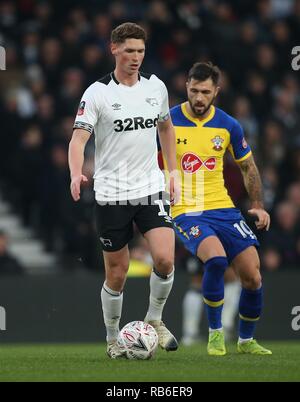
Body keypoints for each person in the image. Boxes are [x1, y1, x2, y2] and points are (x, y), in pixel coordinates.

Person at [68, 22, 180, 359]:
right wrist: (75, 173)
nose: (135, 57)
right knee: (117, 273)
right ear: (113, 49)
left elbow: (166, 128)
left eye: (141, 51)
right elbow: (78, 139)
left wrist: (172, 171)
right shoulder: (97, 93)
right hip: (112, 193)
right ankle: (113, 338)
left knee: (165, 257)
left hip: (150, 187)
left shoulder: (156, 87)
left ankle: (155, 319)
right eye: (129, 50)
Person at [169, 61, 272, 355]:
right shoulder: (168, 121)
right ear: (186, 87)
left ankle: (246, 340)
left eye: (205, 91)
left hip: (223, 208)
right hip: (186, 209)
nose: (198, 98)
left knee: (252, 275)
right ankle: (215, 333)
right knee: (215, 260)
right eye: (193, 90)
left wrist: (258, 205)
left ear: (216, 91)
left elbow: (248, 166)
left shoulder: (228, 125)